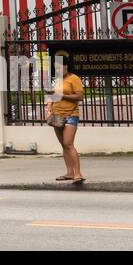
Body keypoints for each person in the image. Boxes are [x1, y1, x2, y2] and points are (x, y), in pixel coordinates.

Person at [48, 55, 85, 185]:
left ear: (66, 66)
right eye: (55, 68)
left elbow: (80, 96)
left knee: (69, 143)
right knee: (63, 145)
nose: (57, 70)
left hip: (71, 114)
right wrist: (49, 108)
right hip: (57, 115)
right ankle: (69, 172)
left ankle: (78, 173)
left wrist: (62, 95)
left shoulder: (74, 78)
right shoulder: (57, 80)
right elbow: (53, 96)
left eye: (59, 67)